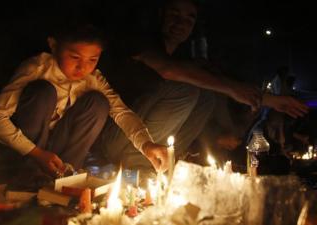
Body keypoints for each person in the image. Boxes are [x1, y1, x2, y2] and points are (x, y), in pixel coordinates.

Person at [94, 0, 308, 170]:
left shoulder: (184, 57)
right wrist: (233, 89)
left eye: (189, 18)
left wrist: (269, 100)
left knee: (206, 95)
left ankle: (162, 163)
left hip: (145, 147)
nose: (181, 23)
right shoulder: (140, 41)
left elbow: (216, 79)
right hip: (115, 137)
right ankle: (139, 164)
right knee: (187, 87)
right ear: (161, 14)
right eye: (174, 14)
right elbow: (169, 70)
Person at [0, 22, 168, 180]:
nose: (83, 67)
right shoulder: (38, 67)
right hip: (27, 150)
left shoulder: (93, 79)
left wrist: (146, 144)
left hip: (61, 150)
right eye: (75, 57)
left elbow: (122, 113)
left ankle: (66, 176)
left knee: (98, 102)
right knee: (43, 92)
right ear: (54, 45)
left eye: (92, 59)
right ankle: (31, 176)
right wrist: (36, 154)